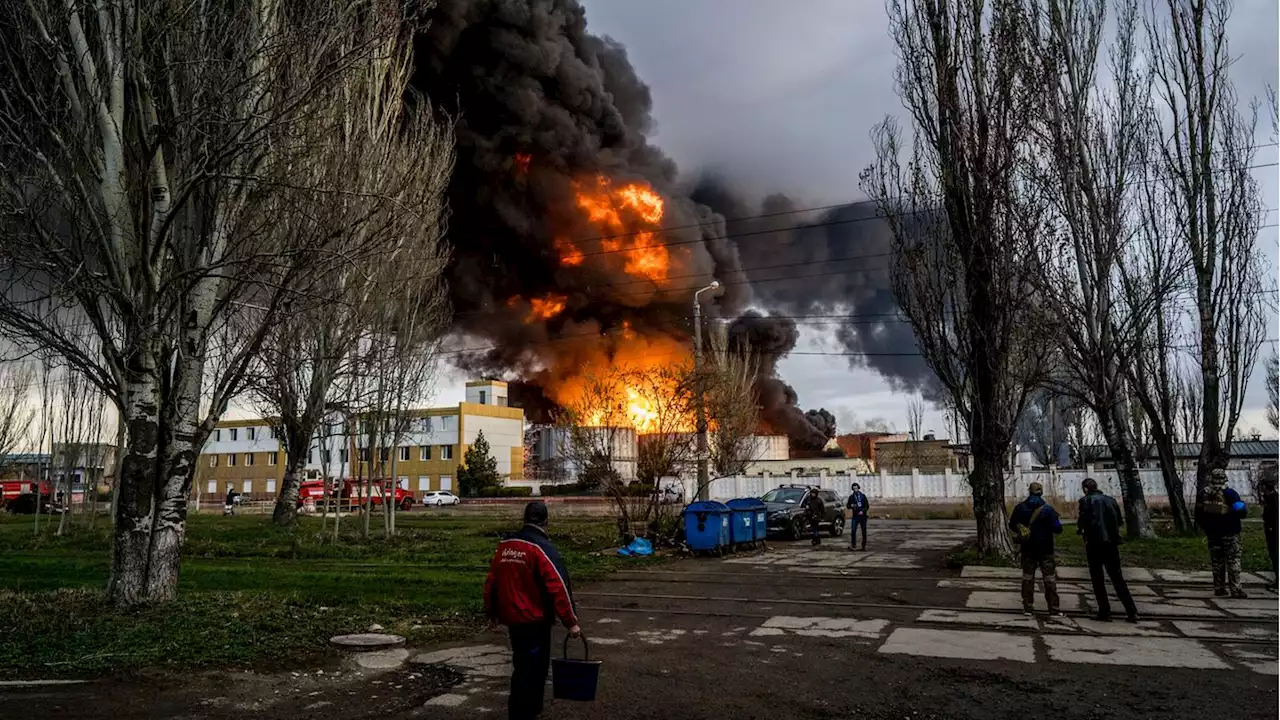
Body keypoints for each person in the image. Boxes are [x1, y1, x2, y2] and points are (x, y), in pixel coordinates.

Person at [483, 501, 581, 720]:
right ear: (546, 522)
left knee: (521, 666)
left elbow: (492, 581)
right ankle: (527, 713)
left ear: (525, 519)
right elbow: (558, 586)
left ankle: (517, 710)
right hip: (535, 620)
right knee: (535, 670)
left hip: (513, 619)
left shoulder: (505, 545)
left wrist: (492, 613)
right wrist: (570, 621)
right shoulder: (542, 548)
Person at [1077, 478, 1139, 622]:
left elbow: (1083, 521)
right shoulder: (1111, 500)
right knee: (1117, 578)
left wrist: (1080, 530)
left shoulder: (1085, 501)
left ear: (1086, 489)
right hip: (1111, 544)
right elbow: (1119, 521)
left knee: (1097, 579)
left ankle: (1104, 611)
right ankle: (1131, 611)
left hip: (1094, 544)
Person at [1008, 482, 1063, 616]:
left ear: (1029, 492)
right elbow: (1058, 528)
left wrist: (1022, 530)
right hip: (1046, 548)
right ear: (1041, 492)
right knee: (1049, 579)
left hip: (1028, 549)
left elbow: (1012, 525)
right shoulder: (1048, 510)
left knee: (1028, 578)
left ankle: (1028, 607)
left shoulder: (1020, 508)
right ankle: (1053, 608)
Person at [1195, 468, 1250, 599]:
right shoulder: (1230, 494)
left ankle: (1219, 588)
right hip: (1231, 533)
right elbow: (1242, 513)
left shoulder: (1203, 494)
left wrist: (1207, 529)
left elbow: (1198, 515)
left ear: (1211, 479)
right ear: (1225, 478)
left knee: (1217, 562)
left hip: (1213, 535)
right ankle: (1235, 589)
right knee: (1233, 561)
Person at [1261, 474, 1278, 590]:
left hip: (1275, 532)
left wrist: (1272, 527)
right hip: (1272, 531)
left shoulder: (1274, 499)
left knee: (1276, 556)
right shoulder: (1271, 498)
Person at [846, 482, 870, 551]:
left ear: (858, 488)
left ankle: (863, 545)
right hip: (855, 516)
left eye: (856, 488)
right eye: (854, 489)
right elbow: (848, 506)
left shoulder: (862, 496)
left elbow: (867, 506)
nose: (855, 489)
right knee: (853, 530)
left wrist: (863, 511)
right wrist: (851, 505)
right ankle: (853, 545)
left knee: (864, 531)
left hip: (863, 516)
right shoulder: (851, 497)